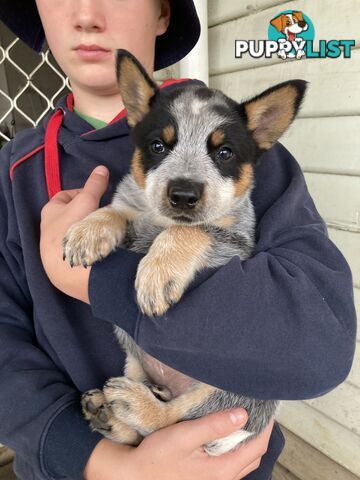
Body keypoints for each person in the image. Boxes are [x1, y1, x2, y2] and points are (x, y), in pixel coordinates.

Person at [0, 1, 356, 479]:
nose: (86, 14)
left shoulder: (263, 162)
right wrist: (92, 460)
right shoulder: (14, 171)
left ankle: (158, 414)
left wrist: (98, 279)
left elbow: (321, 346)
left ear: (163, 13)